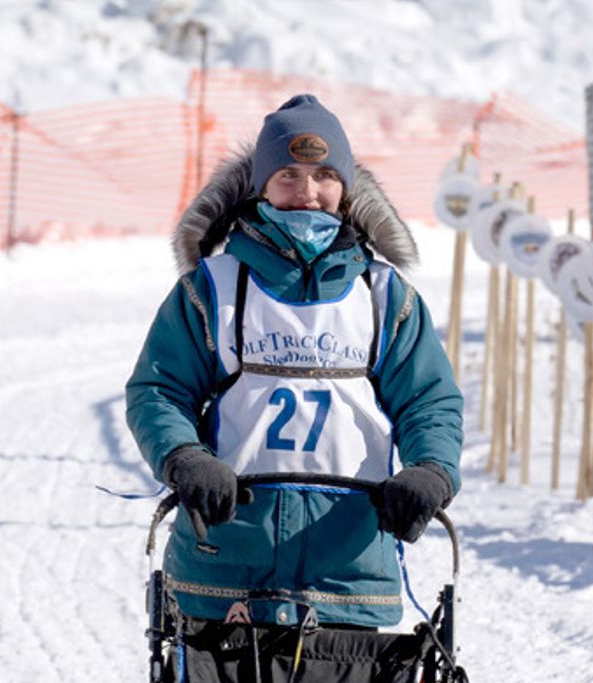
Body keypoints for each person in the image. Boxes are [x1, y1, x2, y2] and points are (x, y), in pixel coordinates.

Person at [125, 93, 463, 628]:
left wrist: (430, 469)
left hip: (348, 564)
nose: (308, 192)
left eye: (326, 174)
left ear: (347, 188)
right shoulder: (212, 288)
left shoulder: (383, 296)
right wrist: (185, 457)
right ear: (260, 186)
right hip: (226, 559)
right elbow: (159, 390)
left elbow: (428, 400)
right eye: (288, 174)